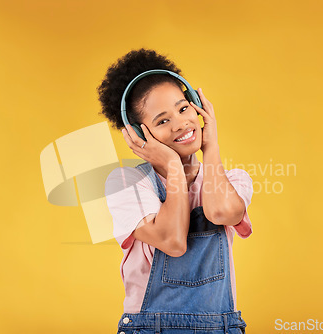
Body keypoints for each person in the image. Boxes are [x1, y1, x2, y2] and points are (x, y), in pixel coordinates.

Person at [98, 48, 253, 334]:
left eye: (183, 108)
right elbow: (172, 241)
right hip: (149, 328)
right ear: (139, 134)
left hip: (220, 327)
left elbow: (220, 212)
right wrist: (172, 165)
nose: (181, 123)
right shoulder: (125, 183)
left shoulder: (233, 180)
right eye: (162, 120)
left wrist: (212, 146)